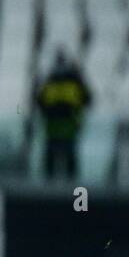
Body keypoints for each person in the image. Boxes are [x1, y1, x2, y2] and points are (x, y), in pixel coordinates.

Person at [35, 51, 91, 179]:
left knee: (58, 156)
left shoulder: (53, 81)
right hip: (62, 126)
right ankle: (62, 184)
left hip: (61, 126)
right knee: (63, 156)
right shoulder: (69, 81)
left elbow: (39, 101)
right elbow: (87, 99)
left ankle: (58, 184)